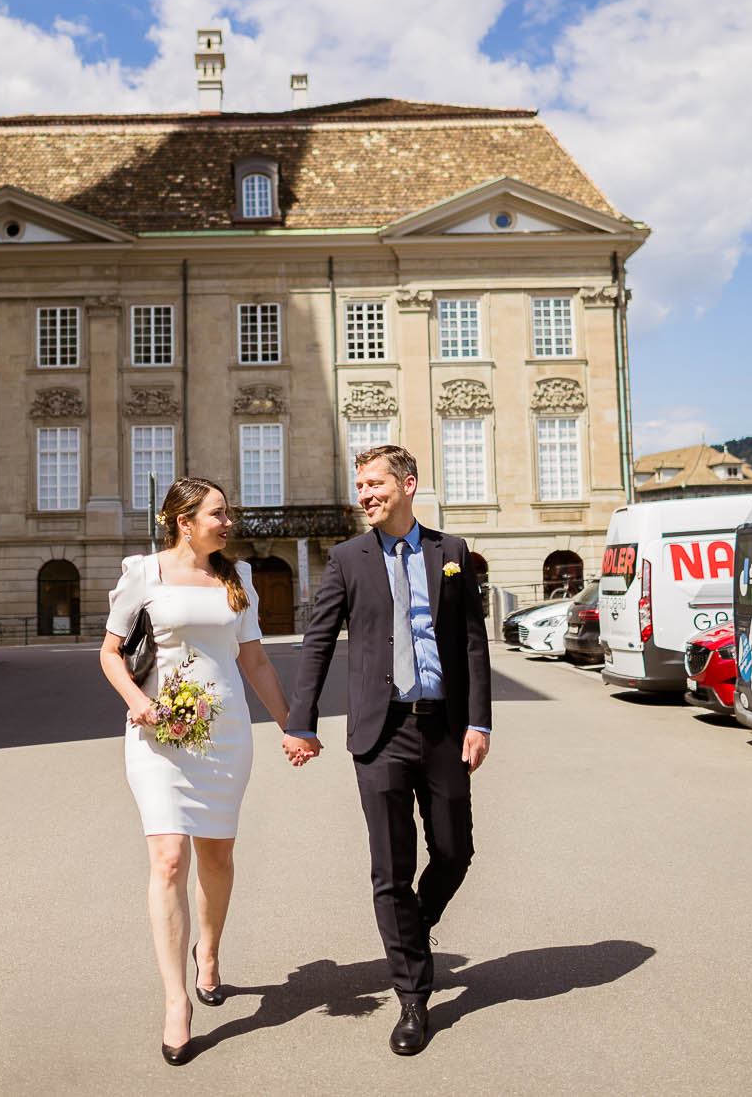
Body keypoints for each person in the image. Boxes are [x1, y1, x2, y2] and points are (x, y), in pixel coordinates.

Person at [283, 444, 491, 1057]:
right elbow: (318, 642)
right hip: (380, 731)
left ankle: (409, 934)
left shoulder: (449, 554)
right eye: (360, 486)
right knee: (391, 868)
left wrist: (479, 722)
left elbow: (474, 645)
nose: (365, 494)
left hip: (445, 730)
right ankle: (412, 997)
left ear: (408, 484)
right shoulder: (347, 559)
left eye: (375, 484)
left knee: (456, 850)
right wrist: (301, 721)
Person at [98, 478, 296, 1066]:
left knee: (216, 857)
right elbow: (110, 653)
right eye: (218, 513)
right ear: (184, 521)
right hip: (157, 736)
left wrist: (290, 724)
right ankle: (175, 1000)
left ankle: (208, 952)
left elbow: (254, 659)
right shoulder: (143, 574)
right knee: (168, 858)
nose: (228, 522)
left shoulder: (238, 580)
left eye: (228, 512)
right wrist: (137, 702)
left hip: (225, 734)